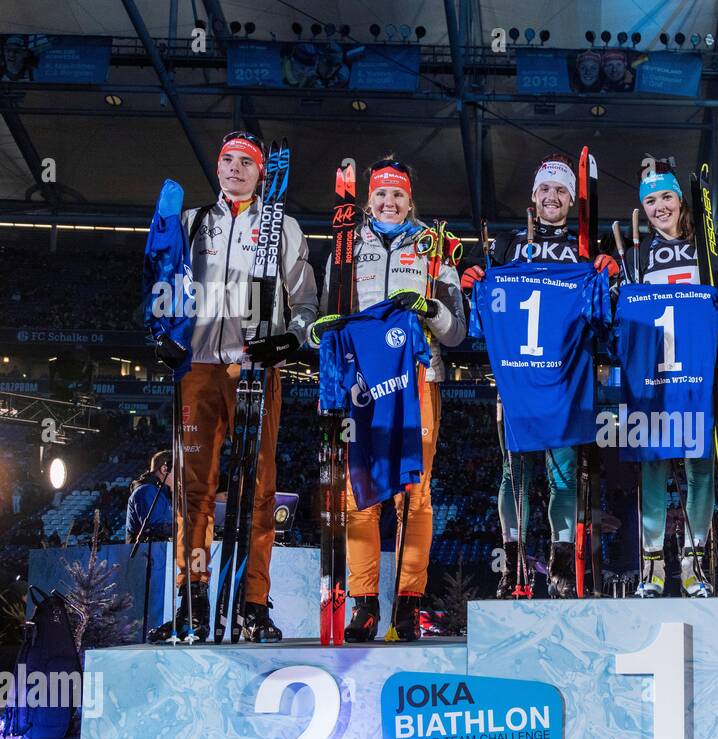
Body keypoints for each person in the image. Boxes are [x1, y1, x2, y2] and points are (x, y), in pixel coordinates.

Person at [150, 130, 318, 643]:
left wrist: (289, 339)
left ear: (261, 171)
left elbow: (308, 304)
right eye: (227, 160)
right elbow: (160, 280)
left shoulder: (281, 226)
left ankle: (252, 601)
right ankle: (192, 596)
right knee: (193, 493)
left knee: (258, 493)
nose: (235, 168)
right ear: (217, 167)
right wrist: (162, 333)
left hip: (254, 369)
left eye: (246, 162)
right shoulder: (191, 223)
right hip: (198, 368)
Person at [314, 157, 465, 642]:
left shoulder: (432, 246)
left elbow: (458, 330)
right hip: (360, 385)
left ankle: (407, 603)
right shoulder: (345, 245)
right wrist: (322, 337)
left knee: (414, 495)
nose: (389, 201)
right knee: (358, 492)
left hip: (419, 377)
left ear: (410, 198)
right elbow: (325, 321)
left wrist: (429, 307)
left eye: (397, 194)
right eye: (380, 193)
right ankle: (363, 605)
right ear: (367, 199)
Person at [461, 153, 620, 598]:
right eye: (545, 189)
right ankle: (512, 564)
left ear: (572, 199)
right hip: (517, 378)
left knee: (563, 475)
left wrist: (610, 277)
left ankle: (561, 563)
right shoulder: (506, 245)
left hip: (567, 378)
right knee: (514, 474)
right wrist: (471, 278)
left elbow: (607, 315)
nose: (552, 197)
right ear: (533, 197)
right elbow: (472, 297)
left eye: (561, 190)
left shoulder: (586, 248)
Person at [627, 162, 718, 597]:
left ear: (682, 201)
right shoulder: (635, 256)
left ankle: (695, 565)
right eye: (650, 200)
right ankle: (653, 567)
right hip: (655, 381)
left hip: (700, 378)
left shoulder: (710, 251)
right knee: (653, 471)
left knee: (700, 472)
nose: (659, 207)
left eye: (666, 198)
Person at [125, 450, 173, 543]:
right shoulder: (147, 490)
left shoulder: (165, 493)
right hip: (146, 554)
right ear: (164, 469)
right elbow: (155, 526)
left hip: (158, 552)